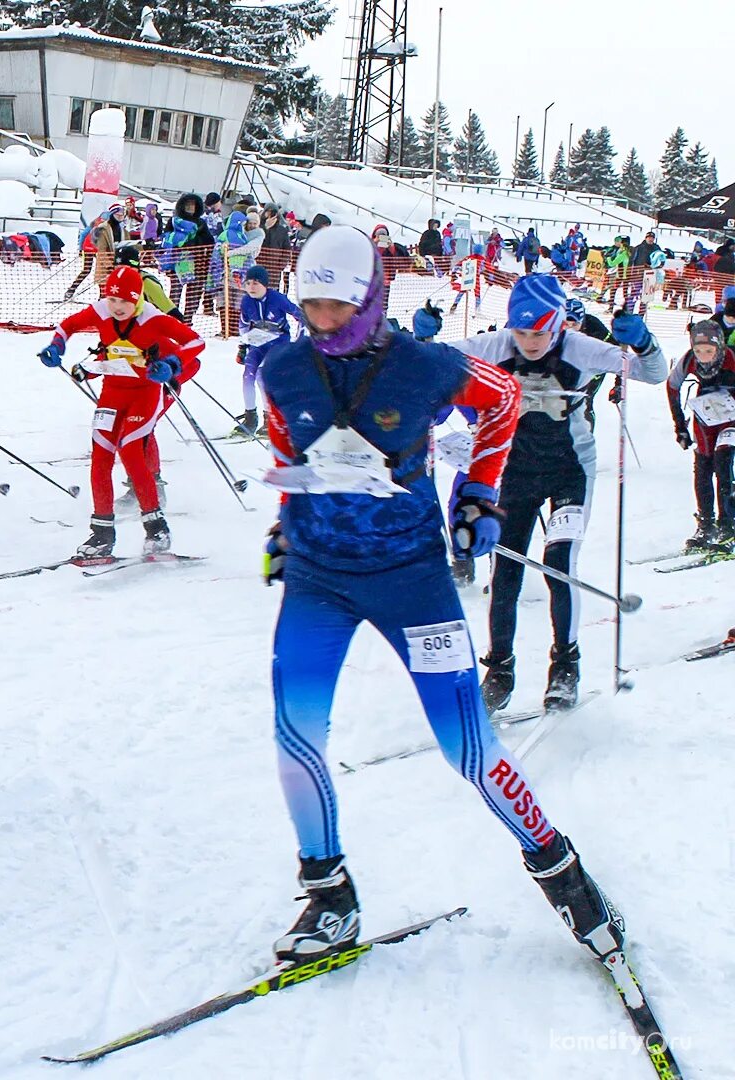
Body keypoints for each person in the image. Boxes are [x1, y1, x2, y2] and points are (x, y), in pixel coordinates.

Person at [256, 225, 625, 975]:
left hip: (412, 579)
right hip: (318, 579)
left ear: (367, 300)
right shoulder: (282, 370)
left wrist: (480, 493)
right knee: (295, 736)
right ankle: (329, 895)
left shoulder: (424, 365)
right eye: (313, 304)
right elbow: (287, 449)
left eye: (338, 305)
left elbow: (503, 398)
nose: (324, 320)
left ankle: (564, 876)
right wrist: (283, 523)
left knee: (468, 745)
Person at [453, 274, 667, 713]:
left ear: (559, 326)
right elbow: (435, 362)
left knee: (559, 564)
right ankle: (499, 669)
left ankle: (565, 667)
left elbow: (651, 372)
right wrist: (413, 342)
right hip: (515, 471)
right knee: (506, 571)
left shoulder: (580, 348)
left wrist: (644, 342)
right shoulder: (496, 346)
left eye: (540, 333)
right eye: (522, 332)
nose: (530, 343)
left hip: (570, 471)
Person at [38, 265, 203, 558]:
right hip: (112, 394)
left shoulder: (152, 318)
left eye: (124, 301)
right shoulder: (102, 310)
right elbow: (68, 325)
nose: (117, 307)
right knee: (100, 455)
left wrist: (173, 366)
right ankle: (102, 532)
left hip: (145, 394)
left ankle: (156, 527)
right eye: (112, 300)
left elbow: (195, 342)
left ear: (137, 297)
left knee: (130, 450)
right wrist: (56, 345)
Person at [669, 321, 735, 548]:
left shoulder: (732, 359)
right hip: (705, 414)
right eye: (699, 351)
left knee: (723, 464)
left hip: (731, 417)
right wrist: (680, 425)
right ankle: (706, 524)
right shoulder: (688, 360)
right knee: (703, 466)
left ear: (720, 347)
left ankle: (728, 525)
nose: (703, 357)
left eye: (709, 351)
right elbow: (672, 386)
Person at [234, 264, 303, 436]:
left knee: (261, 376)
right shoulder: (246, 301)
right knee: (248, 376)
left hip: (278, 341)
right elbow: (243, 325)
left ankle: (269, 418)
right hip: (257, 341)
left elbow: (301, 315)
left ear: (265, 284)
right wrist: (243, 345)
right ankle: (250, 418)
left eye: (256, 283)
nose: (251, 287)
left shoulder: (277, 298)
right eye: (248, 283)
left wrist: (300, 341)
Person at [62, 208, 116, 300]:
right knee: (103, 272)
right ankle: (101, 296)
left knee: (86, 270)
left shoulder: (95, 221)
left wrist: (80, 248)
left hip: (87, 247)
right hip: (98, 249)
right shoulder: (109, 224)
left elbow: (83, 234)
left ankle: (70, 291)